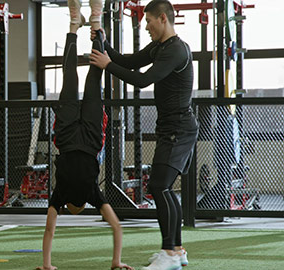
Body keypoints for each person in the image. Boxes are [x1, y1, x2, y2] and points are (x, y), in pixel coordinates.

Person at [90, 1, 198, 269]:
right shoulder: (160, 47)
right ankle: (177, 249)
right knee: (164, 188)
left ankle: (169, 252)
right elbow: (129, 61)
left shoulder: (175, 49)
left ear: (163, 18)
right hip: (169, 127)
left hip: (179, 128)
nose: (146, 26)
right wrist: (104, 42)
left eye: (149, 21)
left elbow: (142, 80)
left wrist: (106, 65)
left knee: (158, 186)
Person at [37, 1, 133, 270]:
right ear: (70, 205)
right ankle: (75, 24)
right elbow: (49, 231)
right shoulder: (65, 195)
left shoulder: (91, 195)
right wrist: (46, 265)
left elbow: (116, 227)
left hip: (88, 138)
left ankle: (95, 21)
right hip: (70, 138)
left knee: (93, 79)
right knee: (73, 78)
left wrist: (116, 261)